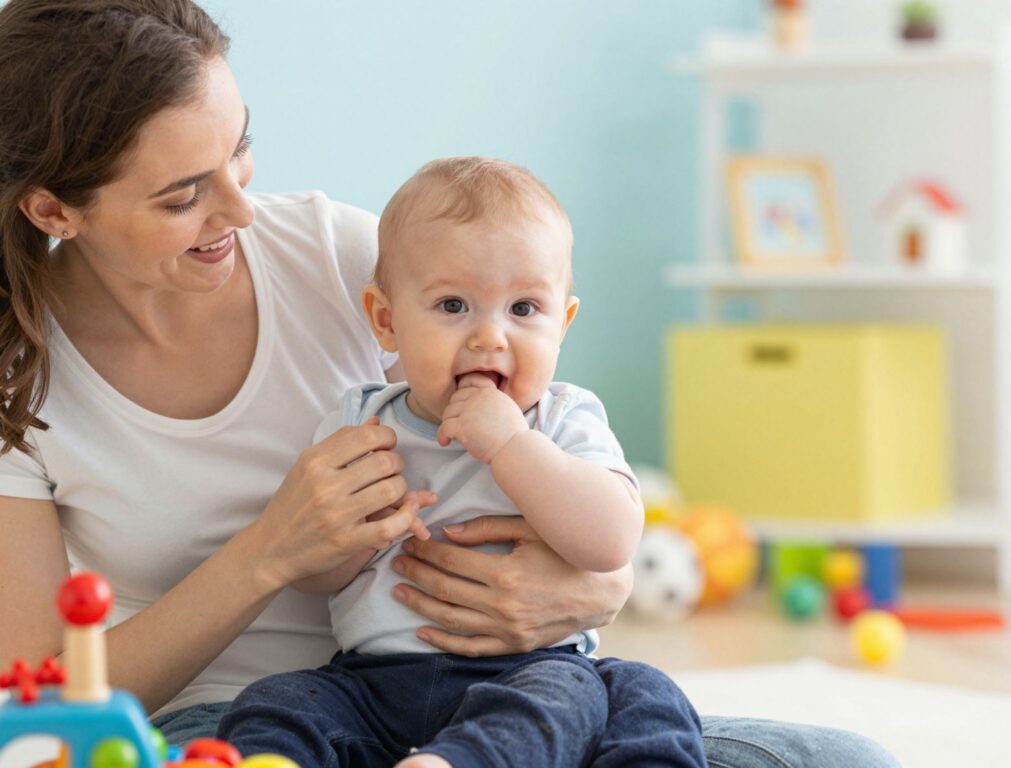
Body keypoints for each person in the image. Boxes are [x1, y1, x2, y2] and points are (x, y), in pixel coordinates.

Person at [0, 2, 901, 767]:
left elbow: (551, 445)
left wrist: (593, 589)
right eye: (183, 195)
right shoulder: (19, 375)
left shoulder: (337, 251)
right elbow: (47, 699)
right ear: (54, 210)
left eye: (241, 151)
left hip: (508, 693)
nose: (242, 209)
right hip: (257, 716)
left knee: (844, 758)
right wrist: (269, 551)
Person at [215, 157, 708, 768]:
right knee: (278, 700)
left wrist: (511, 446)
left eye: (524, 309)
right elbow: (314, 574)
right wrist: (358, 534)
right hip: (372, 682)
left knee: (599, 695)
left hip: (527, 670)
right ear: (386, 321)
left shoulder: (562, 419)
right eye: (453, 305)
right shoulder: (362, 421)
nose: (489, 337)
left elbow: (611, 542)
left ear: (564, 324)